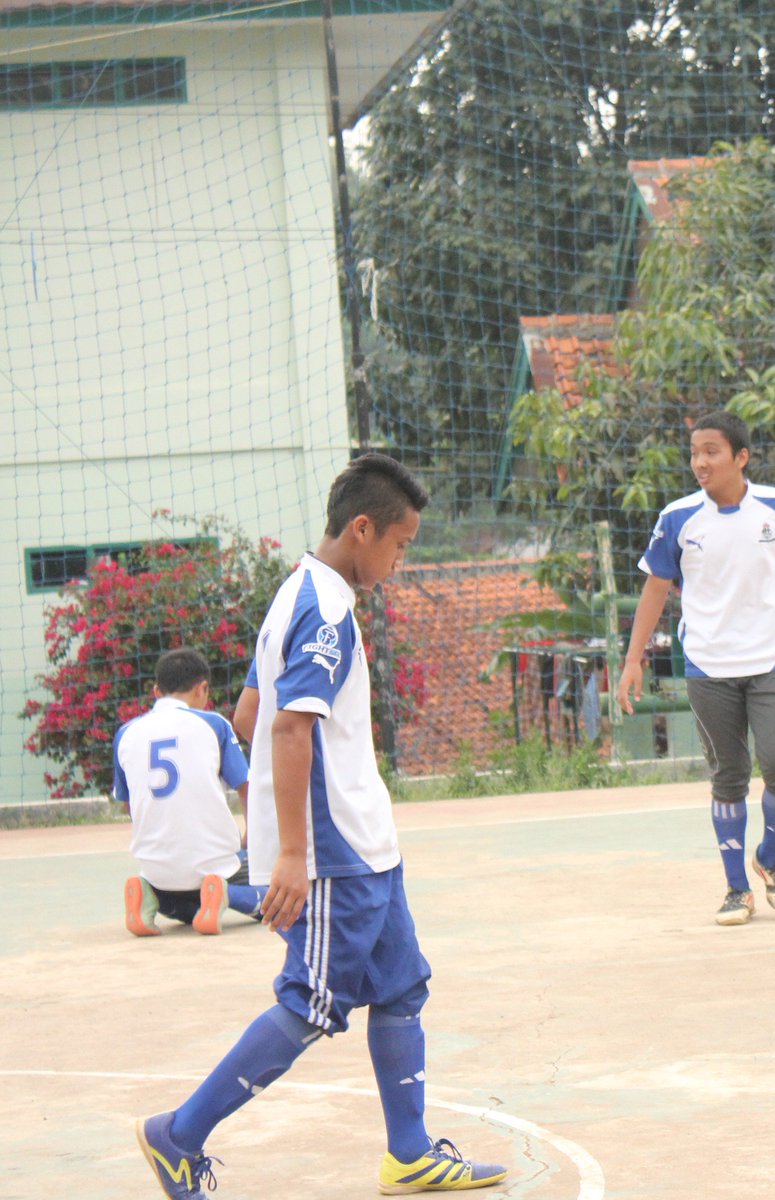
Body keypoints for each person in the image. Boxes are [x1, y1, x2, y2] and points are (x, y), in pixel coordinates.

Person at [135, 453, 508, 1198]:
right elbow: (287, 730)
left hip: (368, 844)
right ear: (361, 528)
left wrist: (264, 830)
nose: (400, 562)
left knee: (401, 988)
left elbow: (247, 713)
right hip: (334, 853)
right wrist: (290, 855)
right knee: (309, 1005)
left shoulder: (295, 593)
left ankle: (409, 1154)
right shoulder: (327, 607)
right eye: (399, 546)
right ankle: (178, 1136)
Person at [616, 411, 775, 926]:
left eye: (712, 452)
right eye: (695, 452)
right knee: (729, 777)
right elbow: (655, 588)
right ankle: (735, 888)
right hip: (707, 666)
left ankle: (769, 859)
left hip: (772, 660)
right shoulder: (677, 518)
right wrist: (632, 660)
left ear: (741, 458)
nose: (700, 462)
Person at [113, 648, 265, 936]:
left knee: (185, 902)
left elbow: (129, 805)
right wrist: (251, 837)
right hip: (215, 863)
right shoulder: (214, 724)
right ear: (203, 688)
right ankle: (228, 895)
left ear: (157, 691)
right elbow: (248, 789)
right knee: (284, 896)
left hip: (156, 869)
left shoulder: (125, 733)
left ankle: (148, 894)